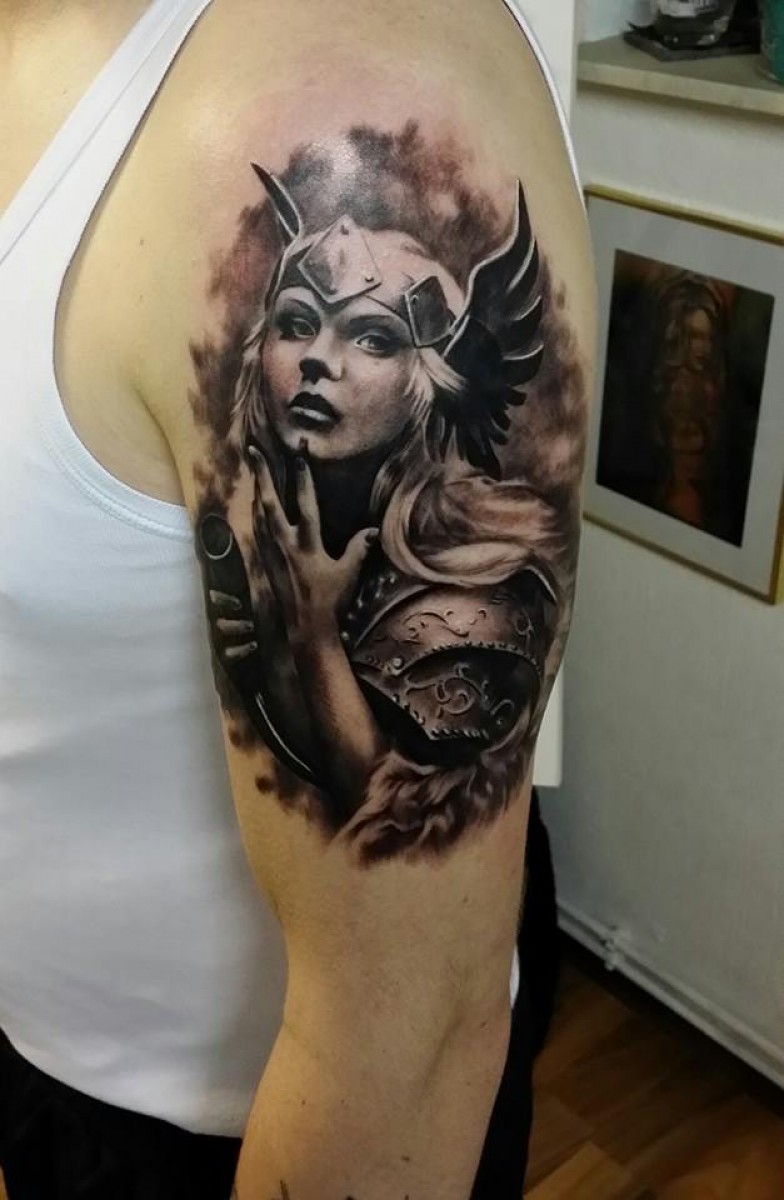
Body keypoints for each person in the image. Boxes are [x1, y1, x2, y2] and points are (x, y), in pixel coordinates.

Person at [0, 1, 594, 1197]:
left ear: (435, 384)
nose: (317, 357)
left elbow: (403, 1040)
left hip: (252, 1137)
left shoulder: (341, 95)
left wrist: (316, 632)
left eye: (369, 337)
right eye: (294, 320)